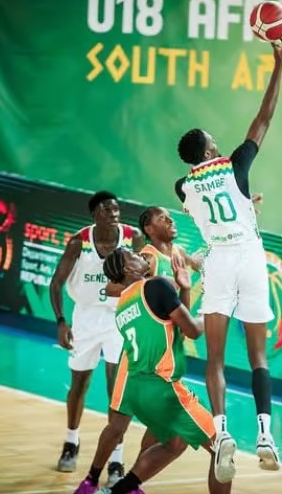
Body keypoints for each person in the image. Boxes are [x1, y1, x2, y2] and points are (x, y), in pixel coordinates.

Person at [173, 34, 282, 474]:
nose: (220, 145)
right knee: (258, 357)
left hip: (219, 261)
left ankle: (221, 431)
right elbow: (265, 116)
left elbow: (210, 206)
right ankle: (265, 435)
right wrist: (279, 62)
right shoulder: (236, 164)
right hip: (250, 257)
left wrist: (242, 203)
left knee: (215, 358)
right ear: (209, 152)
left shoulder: (182, 186)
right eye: (214, 143)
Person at [73, 247, 233, 494]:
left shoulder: (123, 305)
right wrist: (212, 312)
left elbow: (178, 331)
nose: (141, 256)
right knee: (222, 449)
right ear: (129, 268)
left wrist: (185, 289)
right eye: (134, 255)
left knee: (175, 443)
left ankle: (121, 489)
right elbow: (192, 330)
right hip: (162, 388)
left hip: (137, 391)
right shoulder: (156, 286)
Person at [49, 191, 144, 481]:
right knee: (80, 382)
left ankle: (116, 459)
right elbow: (56, 283)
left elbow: (143, 276)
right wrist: (61, 321)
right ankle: (71, 441)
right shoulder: (79, 242)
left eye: (116, 209)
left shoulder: (133, 237)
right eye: (106, 209)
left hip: (120, 316)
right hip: (86, 317)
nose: (113, 213)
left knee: (116, 389)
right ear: (94, 214)